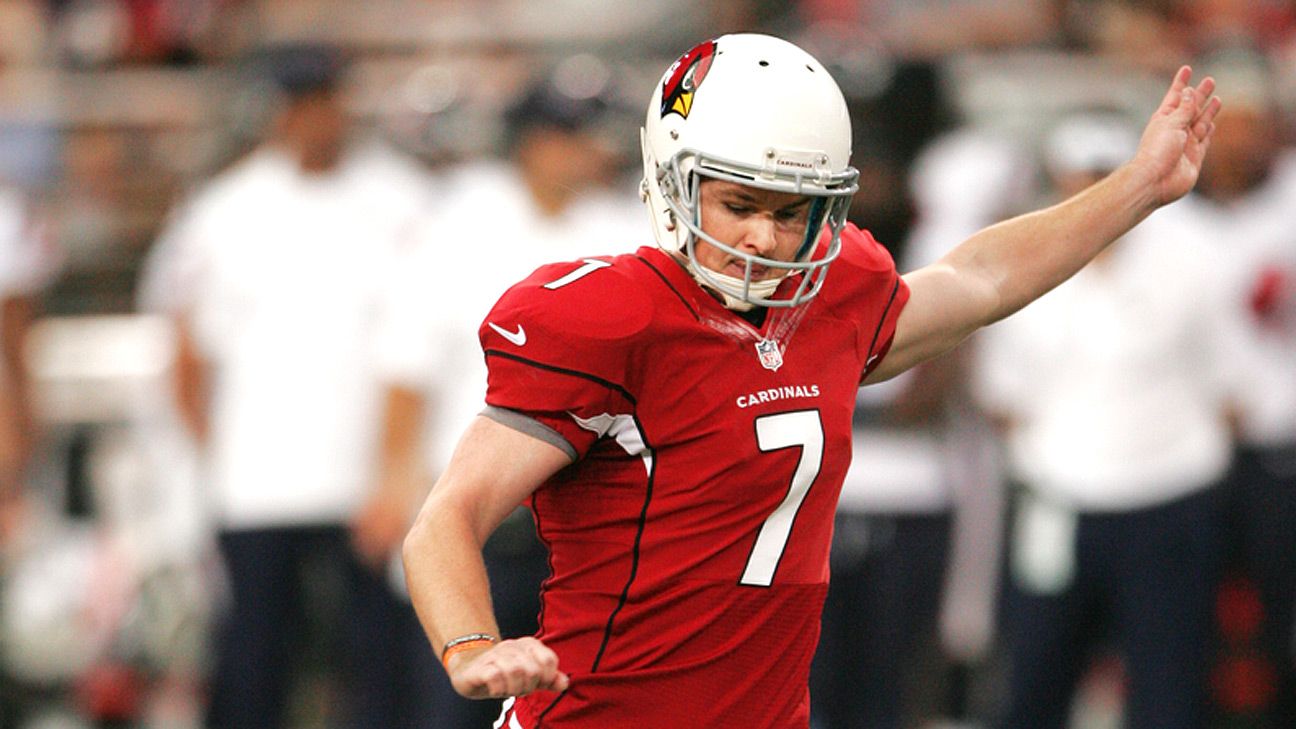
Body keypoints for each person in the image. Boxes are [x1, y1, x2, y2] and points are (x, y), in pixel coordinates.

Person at [401, 33, 1220, 728]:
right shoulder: (608, 320)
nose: (764, 234)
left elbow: (979, 281)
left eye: (792, 210)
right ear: (672, 180)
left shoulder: (833, 296)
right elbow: (445, 519)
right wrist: (475, 646)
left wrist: (1137, 189)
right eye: (739, 203)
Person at [138, 43, 440, 729]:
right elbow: (187, 356)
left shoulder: (402, 202)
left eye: (322, 99)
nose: (312, 117)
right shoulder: (224, 211)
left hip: (368, 486)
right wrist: (217, 458)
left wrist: (397, 472)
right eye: (298, 102)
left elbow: (421, 346)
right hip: (258, 483)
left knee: (378, 663)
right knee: (253, 660)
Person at [373, 59, 643, 728]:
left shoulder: (628, 224)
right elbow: (409, 364)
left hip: (589, 514)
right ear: (530, 137)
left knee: (581, 703)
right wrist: (391, 482)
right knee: (458, 699)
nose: (585, 149)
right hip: (480, 508)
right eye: (568, 133)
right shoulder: (461, 219)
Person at [973, 111, 1239, 729]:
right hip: (1058, 497)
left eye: (1104, 175)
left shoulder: (1198, 253)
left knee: (1167, 688)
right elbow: (1002, 398)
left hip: (1170, 496)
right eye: (1078, 176)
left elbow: (1230, 387)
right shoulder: (1022, 254)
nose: (1089, 190)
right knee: (1033, 681)